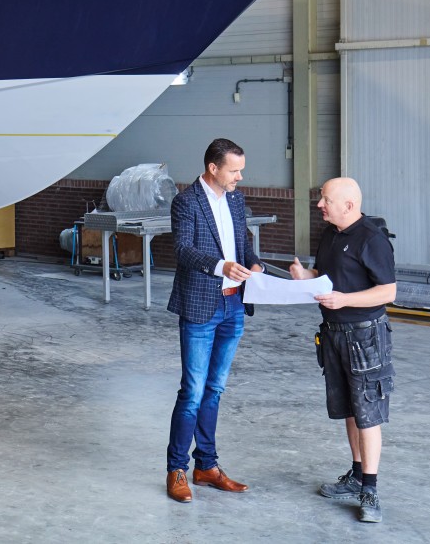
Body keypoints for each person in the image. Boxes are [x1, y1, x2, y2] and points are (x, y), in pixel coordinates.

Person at [289, 177, 397, 523]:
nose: (320, 204)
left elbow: (388, 292)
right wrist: (306, 276)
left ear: (349, 205)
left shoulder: (372, 239)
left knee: (367, 413)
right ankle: (355, 473)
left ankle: (371, 489)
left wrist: (345, 300)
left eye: (325, 200)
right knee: (350, 409)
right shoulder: (331, 234)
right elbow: (327, 274)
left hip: (365, 337)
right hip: (334, 334)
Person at [163, 138, 265, 503]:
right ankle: (176, 469)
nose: (240, 176)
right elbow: (183, 250)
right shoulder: (186, 202)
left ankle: (206, 466)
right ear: (213, 169)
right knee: (192, 392)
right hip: (201, 308)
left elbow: (244, 245)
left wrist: (254, 263)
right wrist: (220, 266)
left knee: (214, 390)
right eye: (234, 170)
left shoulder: (236, 201)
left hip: (234, 307)